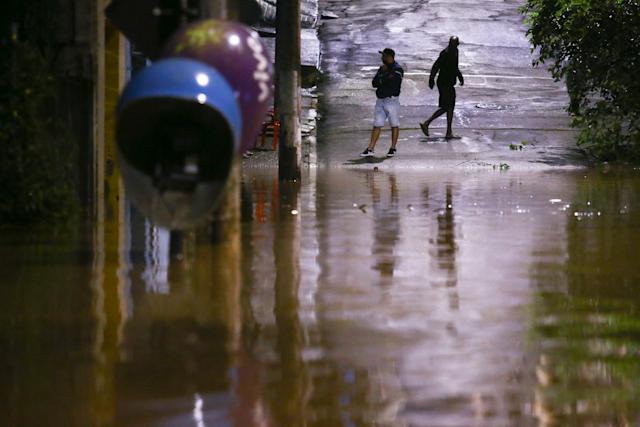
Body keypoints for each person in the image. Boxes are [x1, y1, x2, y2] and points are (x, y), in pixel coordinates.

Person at [360, 48, 404, 157]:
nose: (382, 58)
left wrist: (383, 77)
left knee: (394, 124)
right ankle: (370, 148)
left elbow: (391, 81)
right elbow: (374, 83)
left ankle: (393, 148)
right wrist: (383, 77)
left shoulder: (398, 69)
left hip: (392, 101)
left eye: (383, 56)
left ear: (389, 57)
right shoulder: (382, 69)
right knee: (377, 124)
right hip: (380, 101)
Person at [420, 36, 464, 139]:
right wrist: (431, 78)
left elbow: (455, 67)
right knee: (446, 107)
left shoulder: (455, 52)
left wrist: (460, 76)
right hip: (444, 84)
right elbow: (436, 65)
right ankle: (427, 123)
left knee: (450, 106)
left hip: (449, 83)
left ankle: (449, 132)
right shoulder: (445, 53)